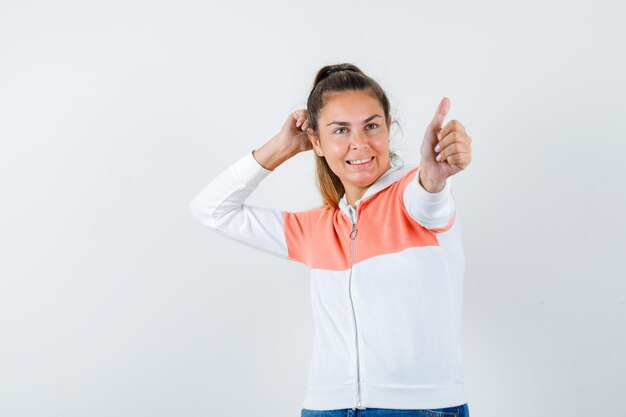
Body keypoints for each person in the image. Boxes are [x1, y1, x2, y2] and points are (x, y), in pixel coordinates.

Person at [189, 63, 473, 417]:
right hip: (326, 408)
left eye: (372, 126)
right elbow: (211, 210)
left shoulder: (413, 197)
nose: (359, 144)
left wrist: (435, 177)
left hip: (417, 408)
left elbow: (430, 202)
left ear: (388, 128)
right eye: (340, 131)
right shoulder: (316, 229)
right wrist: (281, 147)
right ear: (316, 143)